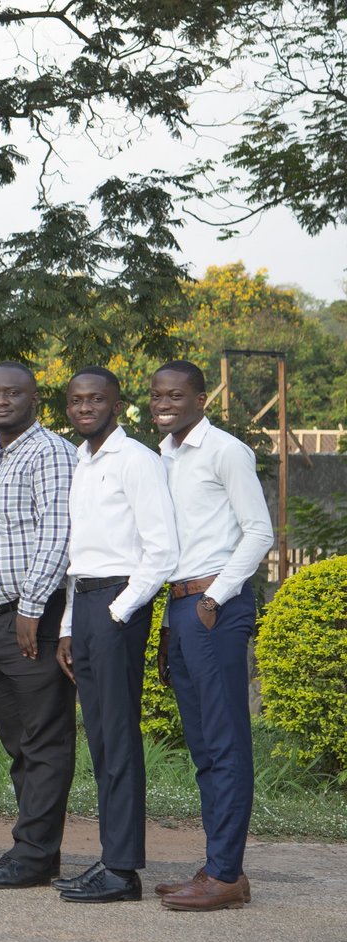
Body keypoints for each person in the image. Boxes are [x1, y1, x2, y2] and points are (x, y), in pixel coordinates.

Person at [149, 360, 273, 911]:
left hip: (213, 608)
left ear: (201, 398)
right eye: (156, 395)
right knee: (203, 746)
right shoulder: (164, 456)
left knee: (224, 744)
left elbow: (259, 531)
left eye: (176, 394)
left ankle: (224, 874)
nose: (164, 402)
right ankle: (221, 868)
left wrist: (212, 599)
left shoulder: (225, 450)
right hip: (181, 606)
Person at [52, 368, 179, 903]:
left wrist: (120, 612)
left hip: (117, 603)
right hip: (83, 601)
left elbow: (162, 551)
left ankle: (123, 871)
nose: (85, 407)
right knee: (100, 737)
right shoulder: (80, 461)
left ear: (116, 404)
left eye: (95, 399)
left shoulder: (137, 461)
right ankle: (109, 859)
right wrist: (66, 625)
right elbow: (78, 556)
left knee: (119, 738)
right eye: (77, 399)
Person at [0, 362, 77, 890]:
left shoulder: (50, 452)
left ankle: (34, 855)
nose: (0, 401)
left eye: (12, 392)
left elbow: (58, 533)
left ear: (35, 398)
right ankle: (32, 849)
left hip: (30, 618)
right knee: (20, 744)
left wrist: (31, 607)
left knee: (44, 740)